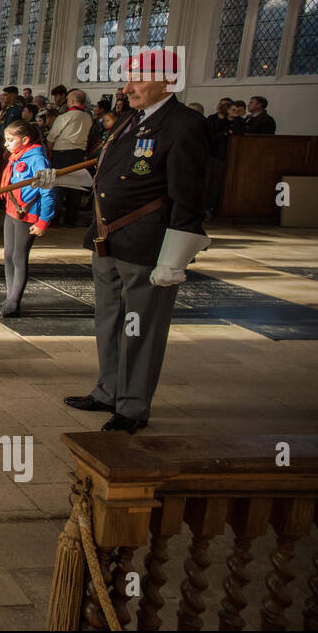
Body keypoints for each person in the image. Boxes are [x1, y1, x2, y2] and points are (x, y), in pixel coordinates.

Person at [60, 48, 209, 434]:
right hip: (106, 239)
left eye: (139, 78)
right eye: (129, 77)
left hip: (146, 245)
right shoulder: (130, 119)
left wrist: (173, 260)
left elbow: (189, 197)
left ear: (168, 81)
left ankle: (132, 406)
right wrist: (57, 178)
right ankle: (108, 390)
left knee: (139, 327)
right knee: (109, 321)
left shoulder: (185, 125)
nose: (128, 87)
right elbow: (108, 174)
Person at [0, 120, 54, 319]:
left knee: (19, 257)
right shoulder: (17, 156)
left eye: (10, 140)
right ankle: (9, 299)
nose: (6, 144)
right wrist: (0, 189)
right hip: (12, 210)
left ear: (25, 140)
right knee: (8, 256)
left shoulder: (38, 159)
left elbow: (48, 191)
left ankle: (14, 303)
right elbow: (15, 182)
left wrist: (43, 221)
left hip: (28, 214)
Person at [47, 88, 90, 227]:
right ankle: (71, 219)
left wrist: (49, 150)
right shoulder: (88, 117)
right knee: (74, 187)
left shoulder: (64, 117)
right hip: (78, 154)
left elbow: (52, 136)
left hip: (62, 153)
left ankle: (54, 219)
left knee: (58, 185)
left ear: (71, 101)